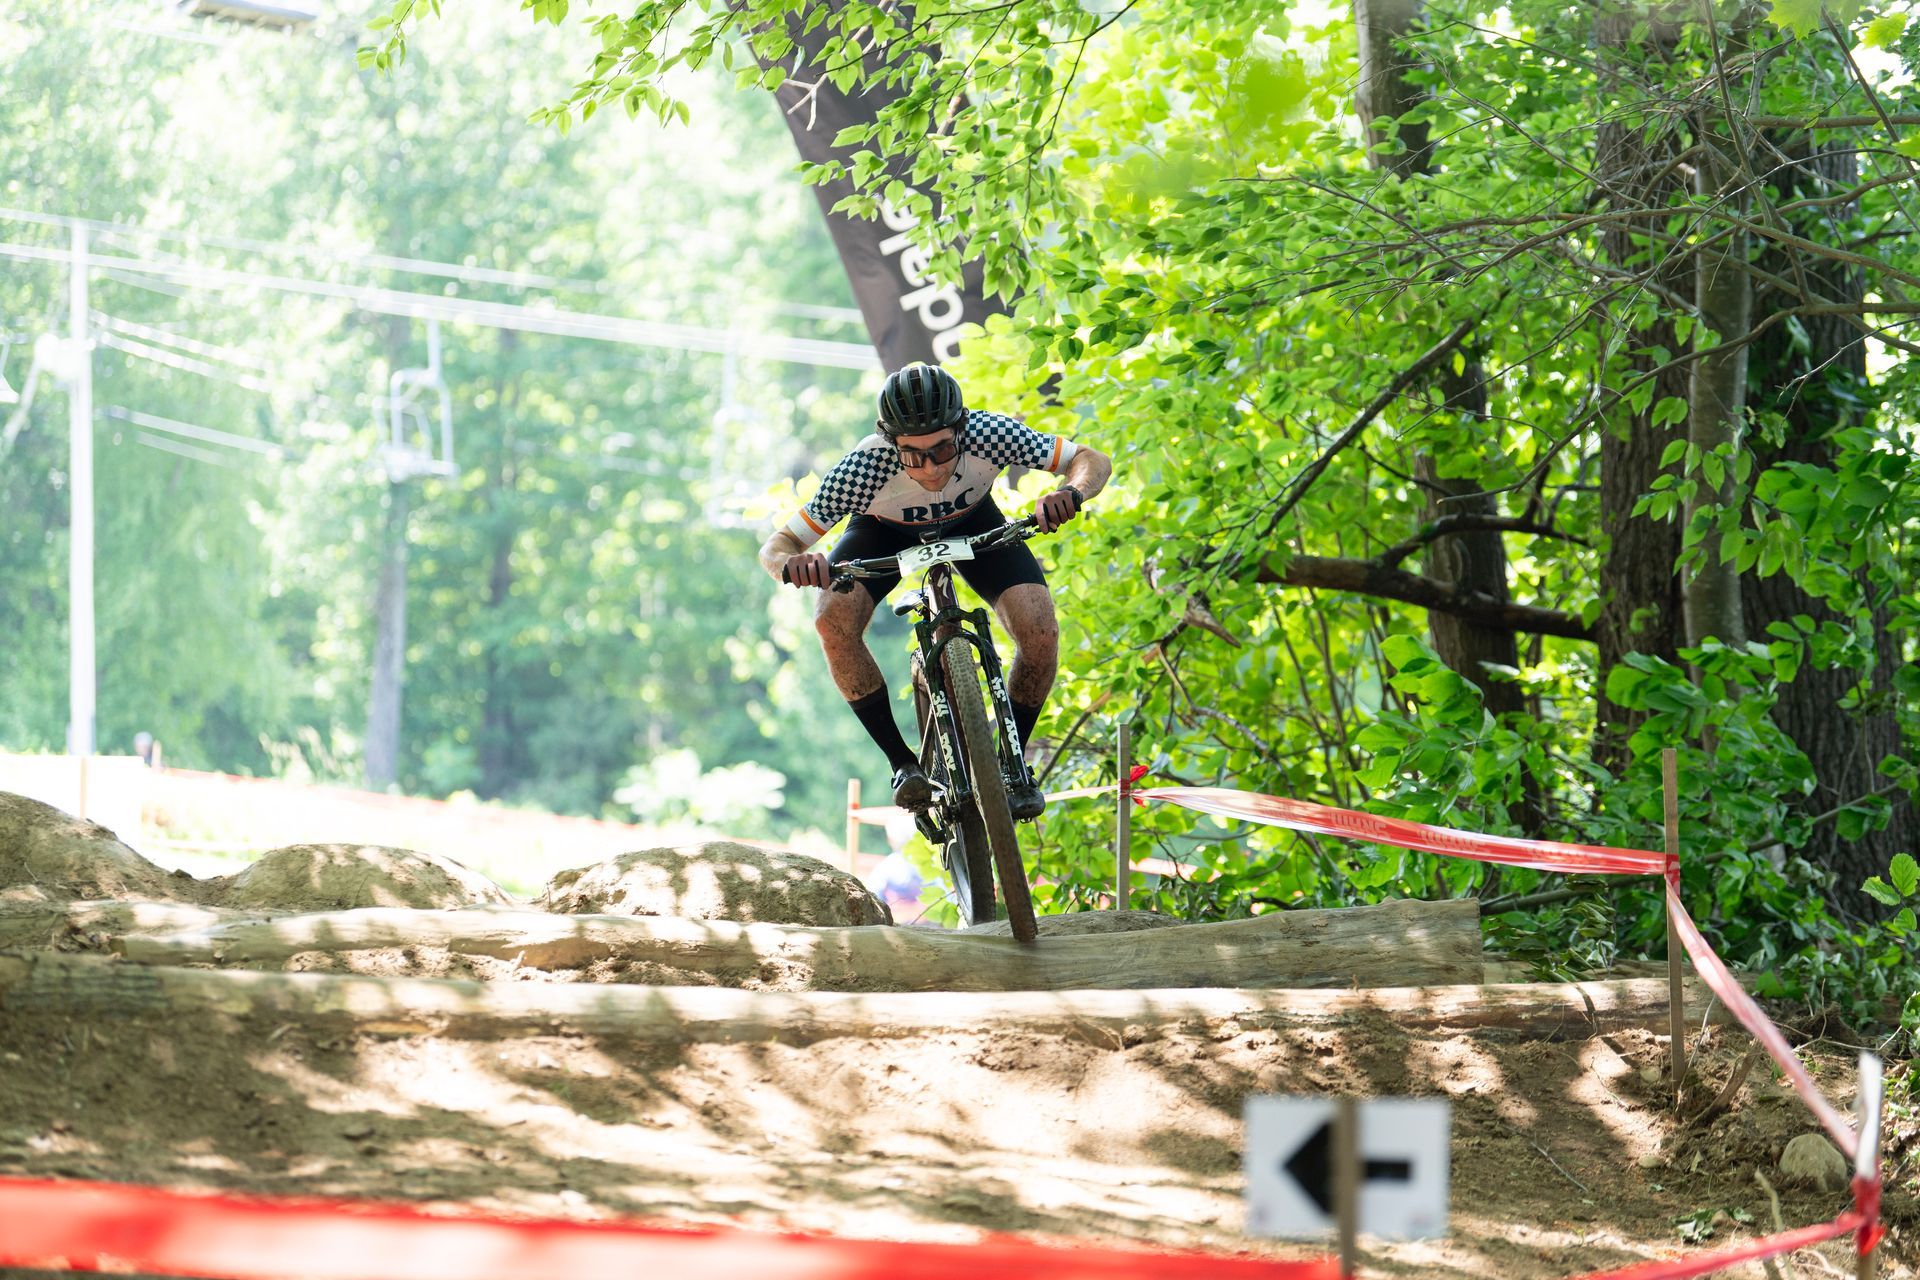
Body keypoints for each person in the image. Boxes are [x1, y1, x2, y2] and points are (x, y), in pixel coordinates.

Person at [759, 363, 1112, 818]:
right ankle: (903, 764)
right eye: (912, 454)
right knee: (831, 619)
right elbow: (777, 546)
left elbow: (1091, 459)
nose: (930, 467)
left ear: (962, 429)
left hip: (974, 522)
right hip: (884, 533)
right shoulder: (865, 467)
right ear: (890, 443)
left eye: (943, 448)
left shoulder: (989, 432)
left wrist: (1072, 492)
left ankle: (1011, 763)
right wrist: (794, 565)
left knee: (1040, 630)